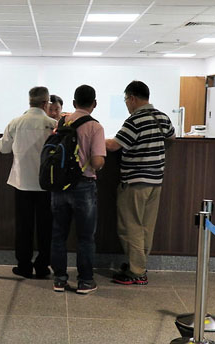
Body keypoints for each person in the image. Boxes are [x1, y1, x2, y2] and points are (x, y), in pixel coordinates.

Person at [106, 80, 175, 285]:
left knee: (131, 227)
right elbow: (172, 137)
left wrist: (94, 138)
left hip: (135, 182)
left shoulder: (134, 120)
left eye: (126, 99)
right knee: (146, 227)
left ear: (133, 98)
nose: (127, 103)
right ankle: (140, 264)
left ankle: (136, 272)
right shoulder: (162, 116)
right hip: (156, 181)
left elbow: (113, 146)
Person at [50, 85, 106, 295]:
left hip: (60, 185)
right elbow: (97, 161)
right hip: (84, 186)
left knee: (58, 234)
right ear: (94, 104)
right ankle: (85, 281)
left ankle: (59, 280)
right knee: (85, 236)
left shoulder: (62, 121)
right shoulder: (95, 127)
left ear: (73, 103)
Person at [0, 86, 57, 279]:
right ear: (45, 103)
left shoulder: (16, 122)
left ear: (29, 101)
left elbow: (3, 148)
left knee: (24, 226)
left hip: (21, 183)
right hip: (46, 184)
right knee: (45, 226)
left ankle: (23, 265)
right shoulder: (52, 123)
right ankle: (42, 266)